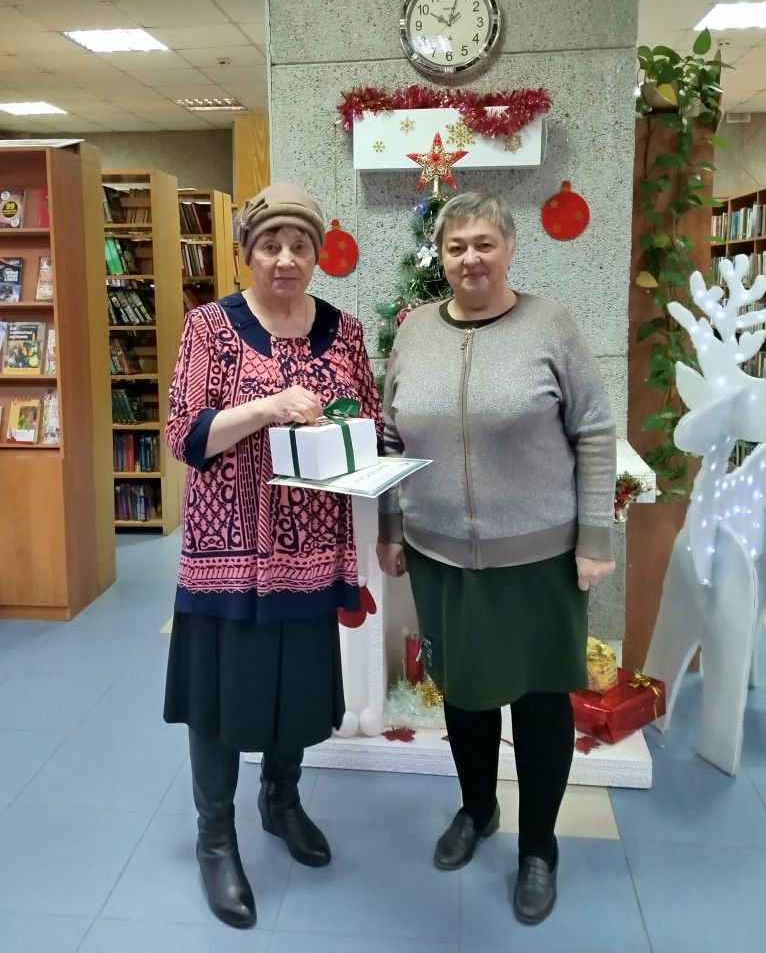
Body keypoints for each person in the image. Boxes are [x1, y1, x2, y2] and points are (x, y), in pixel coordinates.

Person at [376, 190, 615, 926]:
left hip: (540, 559)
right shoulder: (415, 331)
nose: (470, 258)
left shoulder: (551, 326)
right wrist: (391, 525)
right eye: (456, 247)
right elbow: (390, 435)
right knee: (466, 693)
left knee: (540, 702)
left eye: (484, 243)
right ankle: (477, 809)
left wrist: (595, 539)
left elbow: (595, 430)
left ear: (509, 249)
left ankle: (538, 846)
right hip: (439, 555)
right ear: (440, 257)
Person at [164, 183, 381, 930]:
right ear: (245, 254)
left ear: (316, 255)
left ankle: (281, 801)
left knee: (296, 688)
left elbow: (367, 419)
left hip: (311, 549)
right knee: (219, 696)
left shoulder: (345, 330)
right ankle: (215, 837)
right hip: (226, 550)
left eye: (299, 246)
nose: (285, 259)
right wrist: (267, 407)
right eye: (269, 245)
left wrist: (352, 432)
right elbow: (185, 435)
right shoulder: (209, 326)